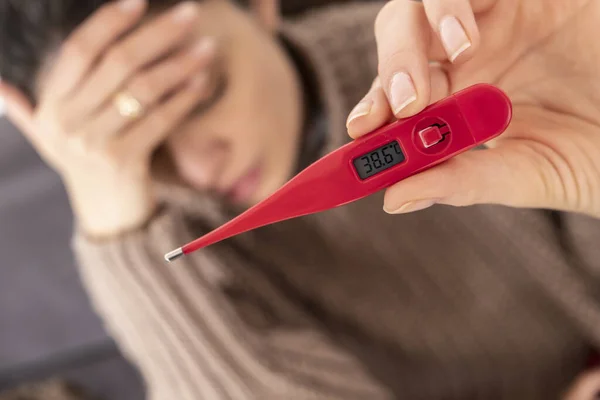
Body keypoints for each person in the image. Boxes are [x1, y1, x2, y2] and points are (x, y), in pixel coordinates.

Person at [0, 0, 598, 398]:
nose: (199, 166)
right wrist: (118, 228)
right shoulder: (187, 275)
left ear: (259, 6)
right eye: (141, 151)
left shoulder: (468, 62)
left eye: (206, 97)